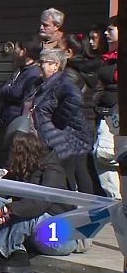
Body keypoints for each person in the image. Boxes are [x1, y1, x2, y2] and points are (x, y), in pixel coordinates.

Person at [0, 132, 77, 273]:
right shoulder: (23, 169)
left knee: (31, 215)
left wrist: (5, 211)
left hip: (60, 237)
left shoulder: (53, 170)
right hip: (32, 235)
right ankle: (18, 253)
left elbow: (39, 204)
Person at [31, 48, 92, 195]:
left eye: (43, 62)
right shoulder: (46, 84)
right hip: (58, 140)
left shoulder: (63, 82)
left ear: (56, 65)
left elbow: (75, 98)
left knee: (76, 176)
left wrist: (58, 120)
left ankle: (89, 210)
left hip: (70, 140)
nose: (40, 65)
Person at [60, 34, 100, 193]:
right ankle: (87, 205)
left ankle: (72, 205)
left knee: (70, 168)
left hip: (74, 126)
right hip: (87, 123)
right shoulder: (87, 70)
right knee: (81, 168)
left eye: (59, 49)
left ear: (69, 52)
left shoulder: (69, 74)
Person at [94, 16, 120, 198]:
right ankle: (117, 201)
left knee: (103, 153)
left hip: (115, 114)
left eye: (110, 29)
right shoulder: (107, 57)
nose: (106, 33)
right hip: (104, 113)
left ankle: (118, 201)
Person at [0, 39, 43, 129]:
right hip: (11, 119)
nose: (14, 51)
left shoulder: (33, 72)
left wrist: (6, 87)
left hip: (18, 121)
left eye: (17, 48)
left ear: (23, 51)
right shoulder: (22, 69)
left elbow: (16, 92)